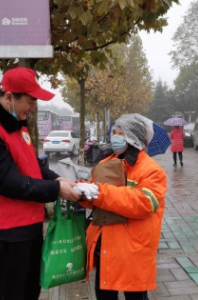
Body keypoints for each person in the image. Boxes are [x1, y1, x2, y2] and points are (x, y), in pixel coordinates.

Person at [0, 67, 80, 300]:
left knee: (29, 291)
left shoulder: (17, 126)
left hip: (28, 228)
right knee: (10, 294)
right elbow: (10, 183)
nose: (33, 107)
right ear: (9, 97)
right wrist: (57, 189)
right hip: (7, 235)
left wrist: (55, 178)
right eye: (29, 101)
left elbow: (31, 165)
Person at [79, 113, 167, 300]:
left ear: (134, 138)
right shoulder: (105, 164)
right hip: (105, 247)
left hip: (132, 252)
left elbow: (144, 204)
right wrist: (81, 192)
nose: (115, 137)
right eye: (115, 132)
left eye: (121, 133)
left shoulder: (151, 170)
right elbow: (96, 199)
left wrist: (99, 192)